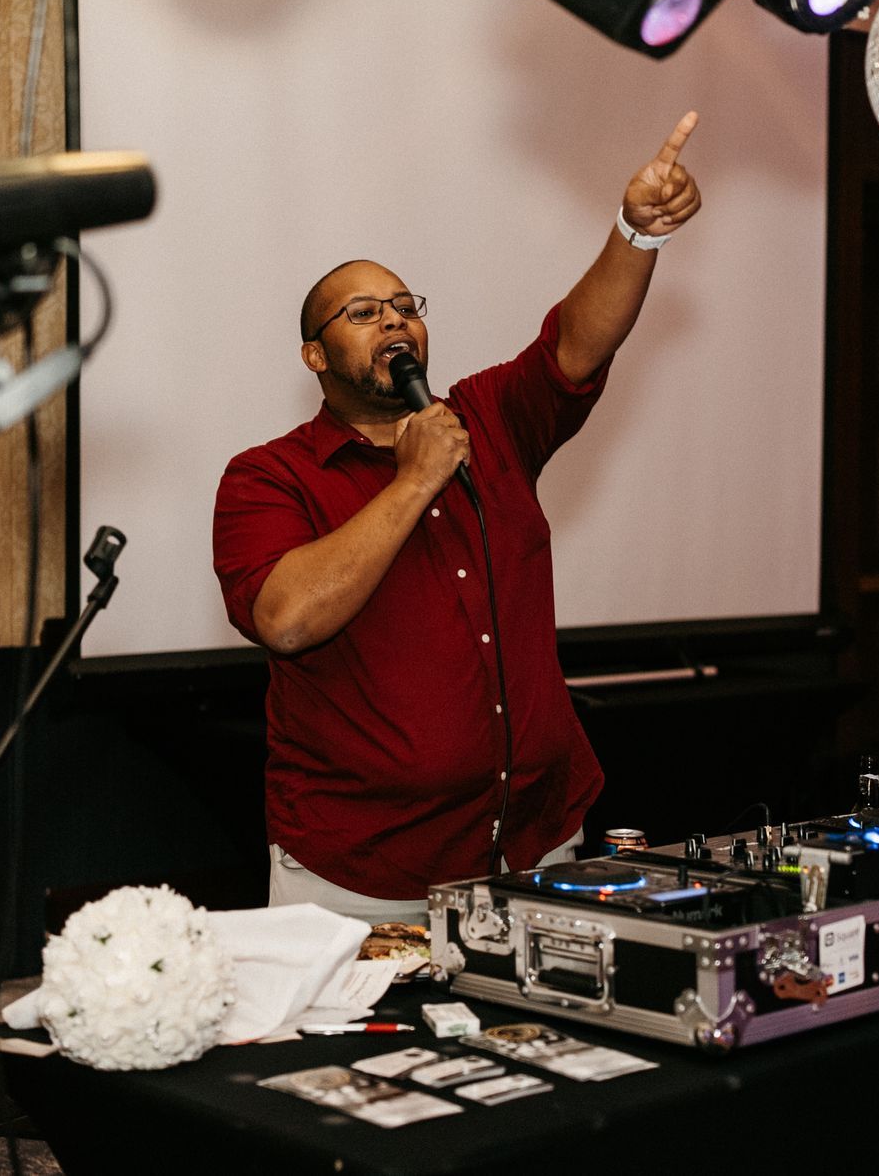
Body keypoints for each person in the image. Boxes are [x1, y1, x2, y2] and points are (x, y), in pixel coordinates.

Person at [212, 113, 703, 923]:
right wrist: (413, 480)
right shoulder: (269, 476)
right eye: (364, 313)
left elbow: (574, 346)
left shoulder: (489, 417)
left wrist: (635, 233)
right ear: (314, 354)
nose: (396, 320)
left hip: (539, 845)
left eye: (406, 305)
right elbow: (288, 618)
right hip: (364, 877)